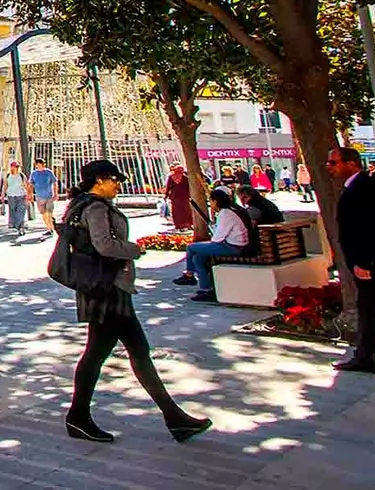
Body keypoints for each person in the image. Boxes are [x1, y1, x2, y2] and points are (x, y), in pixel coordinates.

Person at [63, 160, 213, 443]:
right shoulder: (95, 207)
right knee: (131, 352)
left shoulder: (81, 205)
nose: (118, 185)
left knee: (106, 353)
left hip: (101, 289)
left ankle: (81, 417)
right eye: (114, 180)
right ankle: (171, 418)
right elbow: (103, 245)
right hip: (108, 290)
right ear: (99, 181)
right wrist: (134, 249)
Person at [326, 146, 375, 374]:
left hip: (372, 264)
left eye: (333, 163)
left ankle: (365, 359)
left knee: (370, 311)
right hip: (369, 263)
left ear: (351, 163)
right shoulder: (358, 186)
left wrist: (365, 263)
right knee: (369, 310)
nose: (329, 167)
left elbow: (372, 228)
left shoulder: (364, 187)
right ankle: (365, 357)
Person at [174, 187, 248, 301]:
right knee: (198, 259)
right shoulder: (228, 211)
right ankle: (206, 290)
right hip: (230, 244)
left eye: (211, 201)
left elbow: (217, 238)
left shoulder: (226, 213)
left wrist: (214, 232)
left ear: (216, 201)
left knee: (191, 247)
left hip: (232, 247)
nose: (211, 204)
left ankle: (189, 275)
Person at [30, 159, 59, 233]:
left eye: (40, 164)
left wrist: (56, 193)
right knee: (44, 214)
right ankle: (49, 228)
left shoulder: (48, 172)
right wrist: (30, 195)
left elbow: (55, 183)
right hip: (39, 197)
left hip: (49, 196)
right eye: (37, 164)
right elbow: (31, 185)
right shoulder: (34, 174)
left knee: (49, 213)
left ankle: (51, 228)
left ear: (43, 164)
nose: (39, 166)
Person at [164, 163, 195, 232]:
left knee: (177, 211)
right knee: (186, 210)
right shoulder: (185, 177)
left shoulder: (171, 177)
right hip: (184, 196)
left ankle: (179, 224)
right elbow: (188, 187)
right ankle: (188, 224)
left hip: (175, 196)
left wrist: (166, 195)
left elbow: (168, 187)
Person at [4, 161, 32, 236]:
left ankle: (20, 226)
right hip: (11, 195)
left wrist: (28, 195)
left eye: (17, 167)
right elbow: (6, 185)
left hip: (21, 195)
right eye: (14, 166)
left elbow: (26, 185)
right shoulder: (8, 175)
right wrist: (3, 195)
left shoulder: (21, 175)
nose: (15, 168)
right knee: (12, 211)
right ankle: (17, 225)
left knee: (21, 211)